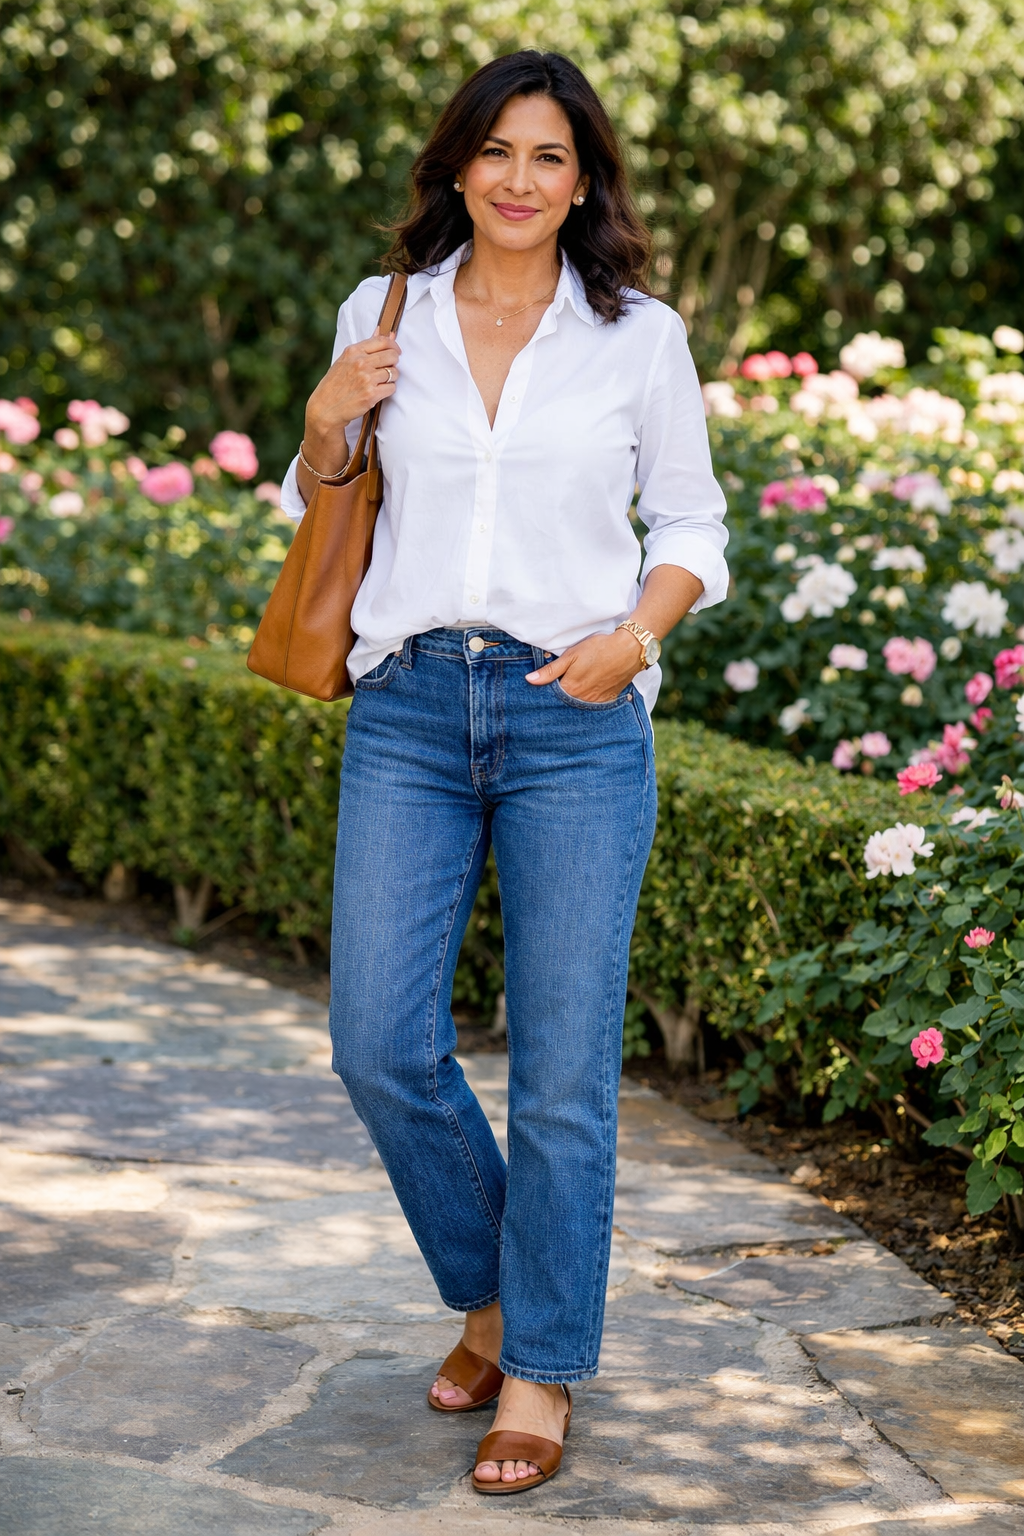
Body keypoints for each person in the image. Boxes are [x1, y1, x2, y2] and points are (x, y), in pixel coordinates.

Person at [280, 48, 727, 1495]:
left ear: (582, 177)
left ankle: (535, 1369)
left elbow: (695, 526)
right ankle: (494, 1297)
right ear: (459, 166)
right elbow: (317, 497)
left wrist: (629, 643)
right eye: (497, 152)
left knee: (563, 1076)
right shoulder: (384, 309)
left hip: (573, 714)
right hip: (410, 700)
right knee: (377, 1041)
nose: (521, 180)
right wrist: (326, 413)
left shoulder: (637, 335)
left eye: (550, 156)